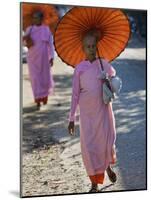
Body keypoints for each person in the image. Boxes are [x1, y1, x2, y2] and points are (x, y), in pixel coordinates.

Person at [68, 33, 117, 192]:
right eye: (88, 47)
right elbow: (75, 94)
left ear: (97, 46)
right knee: (89, 147)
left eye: (93, 46)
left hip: (102, 111)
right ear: (82, 48)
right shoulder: (79, 68)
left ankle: (107, 167)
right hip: (87, 115)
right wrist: (71, 119)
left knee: (103, 143)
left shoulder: (103, 64)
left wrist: (107, 80)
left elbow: (116, 82)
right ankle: (94, 183)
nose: (91, 49)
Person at [23, 11, 54, 109]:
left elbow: (50, 43)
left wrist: (52, 57)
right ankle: (37, 101)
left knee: (44, 78)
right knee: (35, 79)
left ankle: (44, 98)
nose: (35, 19)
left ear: (41, 19)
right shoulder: (29, 29)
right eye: (34, 17)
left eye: (37, 17)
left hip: (44, 58)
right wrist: (25, 39)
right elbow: (23, 42)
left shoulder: (46, 29)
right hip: (32, 58)